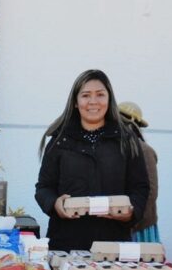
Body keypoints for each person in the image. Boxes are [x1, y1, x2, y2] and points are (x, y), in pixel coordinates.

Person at [34, 69, 150, 251]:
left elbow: (140, 188)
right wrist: (55, 204)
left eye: (100, 95)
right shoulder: (60, 140)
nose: (93, 102)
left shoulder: (126, 139)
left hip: (113, 245)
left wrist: (131, 211)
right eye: (86, 95)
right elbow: (43, 188)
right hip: (65, 244)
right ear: (75, 102)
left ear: (109, 99)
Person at [118, 101, 160, 242]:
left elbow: (150, 192)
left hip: (139, 227)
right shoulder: (115, 149)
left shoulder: (144, 151)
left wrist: (132, 219)